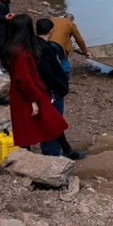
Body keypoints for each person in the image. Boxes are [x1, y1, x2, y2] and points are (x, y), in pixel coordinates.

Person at [2, 14, 83, 159]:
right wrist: (33, 100)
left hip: (25, 92)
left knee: (38, 124)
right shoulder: (21, 52)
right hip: (29, 93)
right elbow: (24, 79)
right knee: (50, 122)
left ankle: (62, 151)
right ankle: (53, 154)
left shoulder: (13, 47)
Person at [36, 18, 78, 157]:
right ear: (51, 31)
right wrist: (54, 91)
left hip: (47, 91)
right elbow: (47, 74)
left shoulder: (35, 45)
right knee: (54, 121)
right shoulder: (45, 50)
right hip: (52, 93)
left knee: (50, 121)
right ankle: (53, 154)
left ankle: (59, 150)